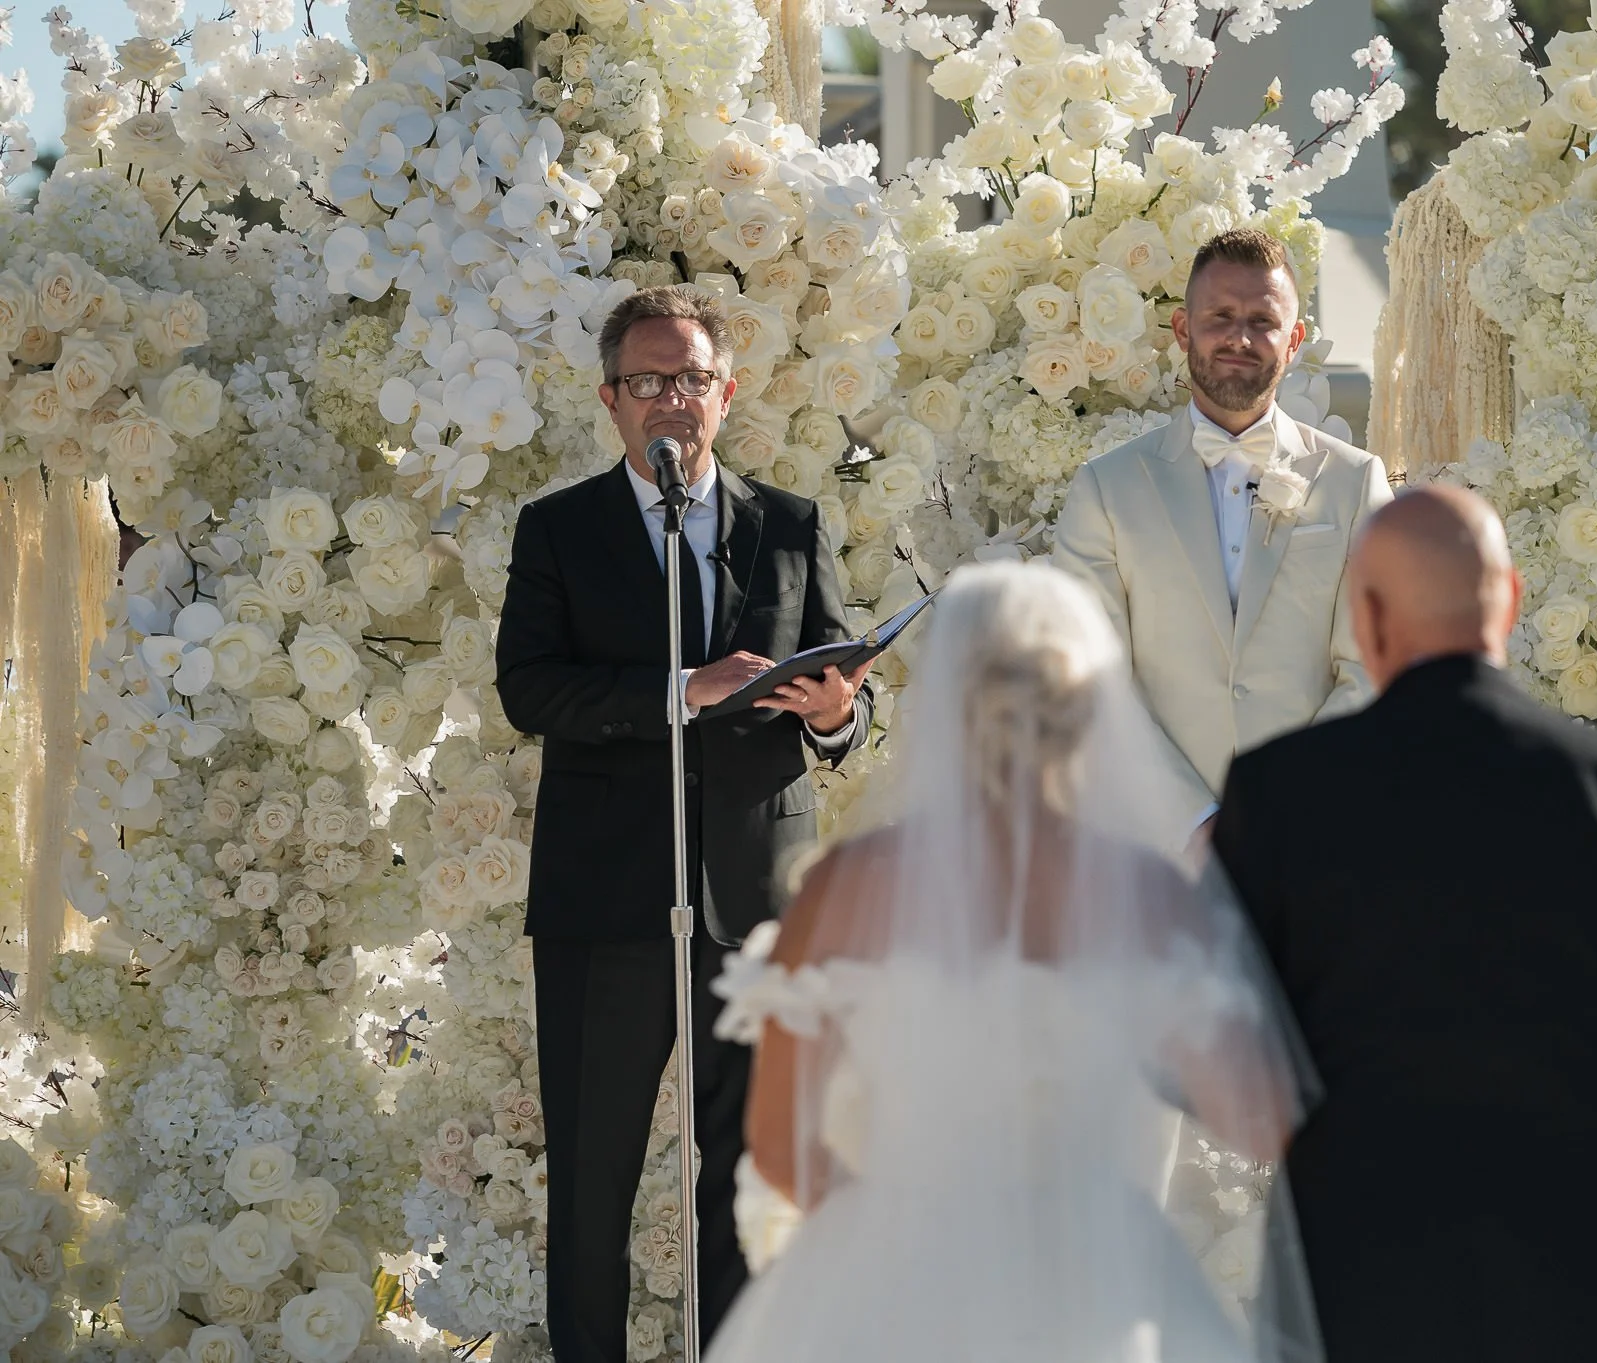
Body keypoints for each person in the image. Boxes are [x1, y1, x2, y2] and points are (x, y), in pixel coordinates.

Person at [706, 561, 1322, 1363]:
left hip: (893, 1290)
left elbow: (781, 1145)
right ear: (1091, 715)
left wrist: (894, 1242)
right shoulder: (1148, 897)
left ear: (947, 710)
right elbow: (1263, 1116)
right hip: (1104, 1292)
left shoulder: (847, 891)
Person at [1211, 486, 1597, 1363]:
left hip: (1350, 1288)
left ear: (1370, 619)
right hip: (1572, 1292)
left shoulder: (1281, 793)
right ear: (1512, 598)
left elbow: (1210, 1037)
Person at [495, 284, 874, 1361]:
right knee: (593, 1181)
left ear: (727, 391)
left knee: (748, 1177)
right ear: (610, 399)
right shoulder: (558, 529)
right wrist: (682, 686)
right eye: (650, 381)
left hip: (755, 908)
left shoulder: (793, 524)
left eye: (692, 379)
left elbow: (841, 675)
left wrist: (839, 714)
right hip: (604, 904)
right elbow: (531, 689)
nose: (673, 400)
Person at [1053, 227, 1394, 841]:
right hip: (1155, 854)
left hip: (1314, 844)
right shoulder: (1106, 490)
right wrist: (1193, 825)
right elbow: (1088, 682)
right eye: (1220, 316)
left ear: (1293, 342)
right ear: (1183, 330)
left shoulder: (1355, 482)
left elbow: (1373, 669)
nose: (1239, 337)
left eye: (1262, 321)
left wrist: (1285, 811)